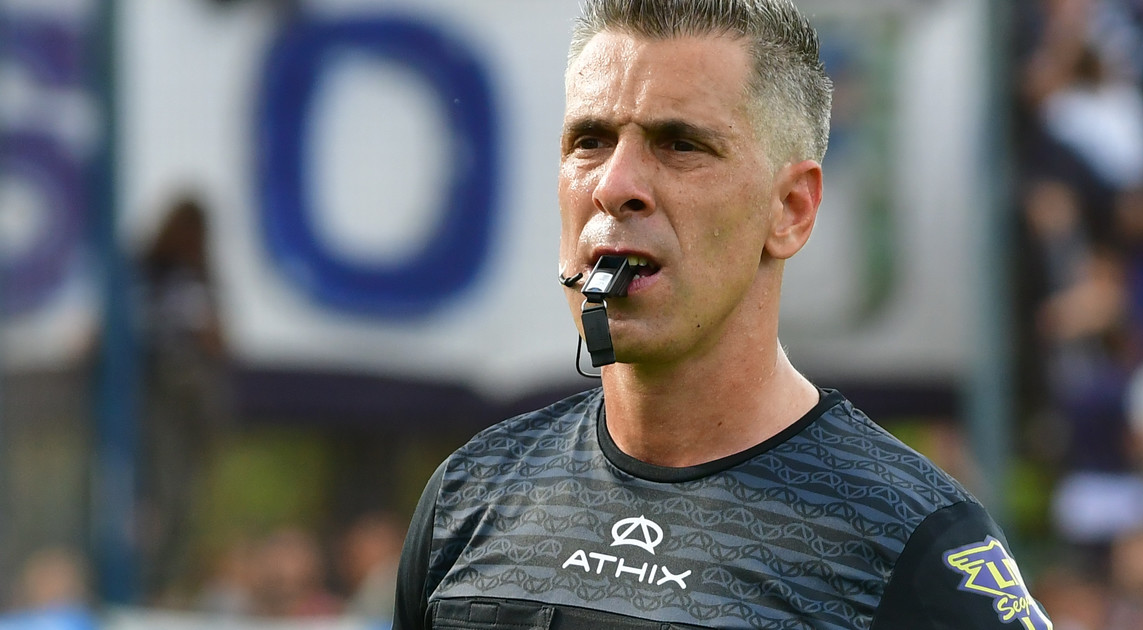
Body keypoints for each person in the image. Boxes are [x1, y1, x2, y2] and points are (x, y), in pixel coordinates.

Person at [393, 1, 1052, 628]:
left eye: (679, 145)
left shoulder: (911, 544)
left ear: (790, 209)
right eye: (590, 140)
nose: (615, 187)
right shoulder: (470, 496)